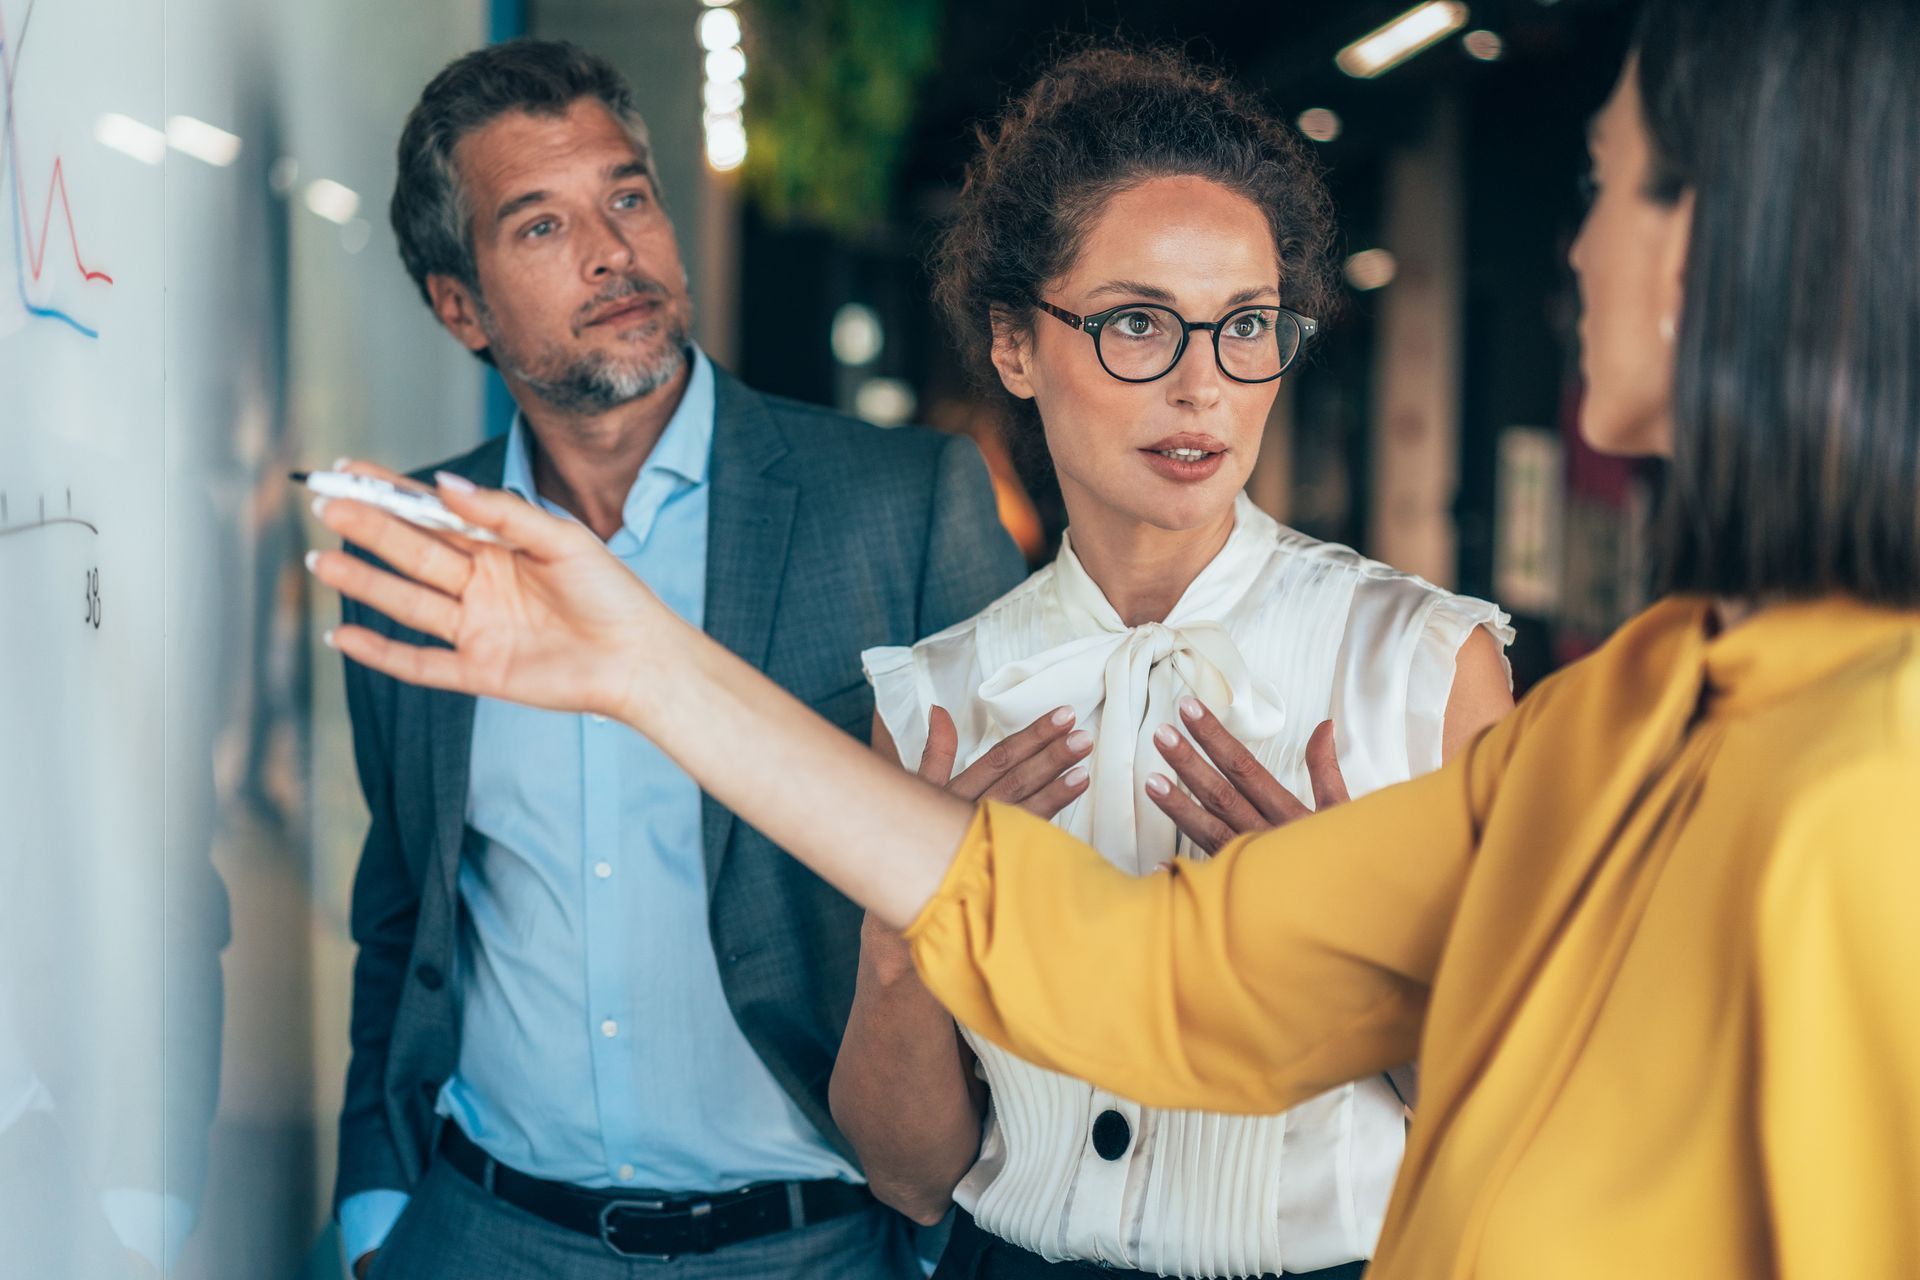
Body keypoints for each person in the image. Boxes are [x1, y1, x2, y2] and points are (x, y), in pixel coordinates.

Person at [307, 0, 1920, 1273]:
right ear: (1020, 344)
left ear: (1757, 237)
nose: (1572, 248)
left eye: (1614, 189)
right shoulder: (1631, 707)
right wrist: (650, 671)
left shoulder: (1856, 765)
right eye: (1138, 326)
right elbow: (1155, 972)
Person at [329, 39, 1027, 1280]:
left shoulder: (900, 503)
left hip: (813, 1239)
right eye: (542, 226)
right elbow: (405, 905)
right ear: (459, 304)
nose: (615, 252)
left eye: (629, 196)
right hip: (484, 1229)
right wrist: (380, 1206)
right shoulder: (420, 545)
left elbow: (1016, 890)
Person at [829, 48, 1513, 1280]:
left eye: (1246, 325)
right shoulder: (932, 696)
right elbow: (909, 1172)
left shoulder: (1423, 663)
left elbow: (1513, 1117)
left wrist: (1341, 935)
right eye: (1138, 321)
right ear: (1015, 347)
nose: (1203, 385)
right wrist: (900, 946)